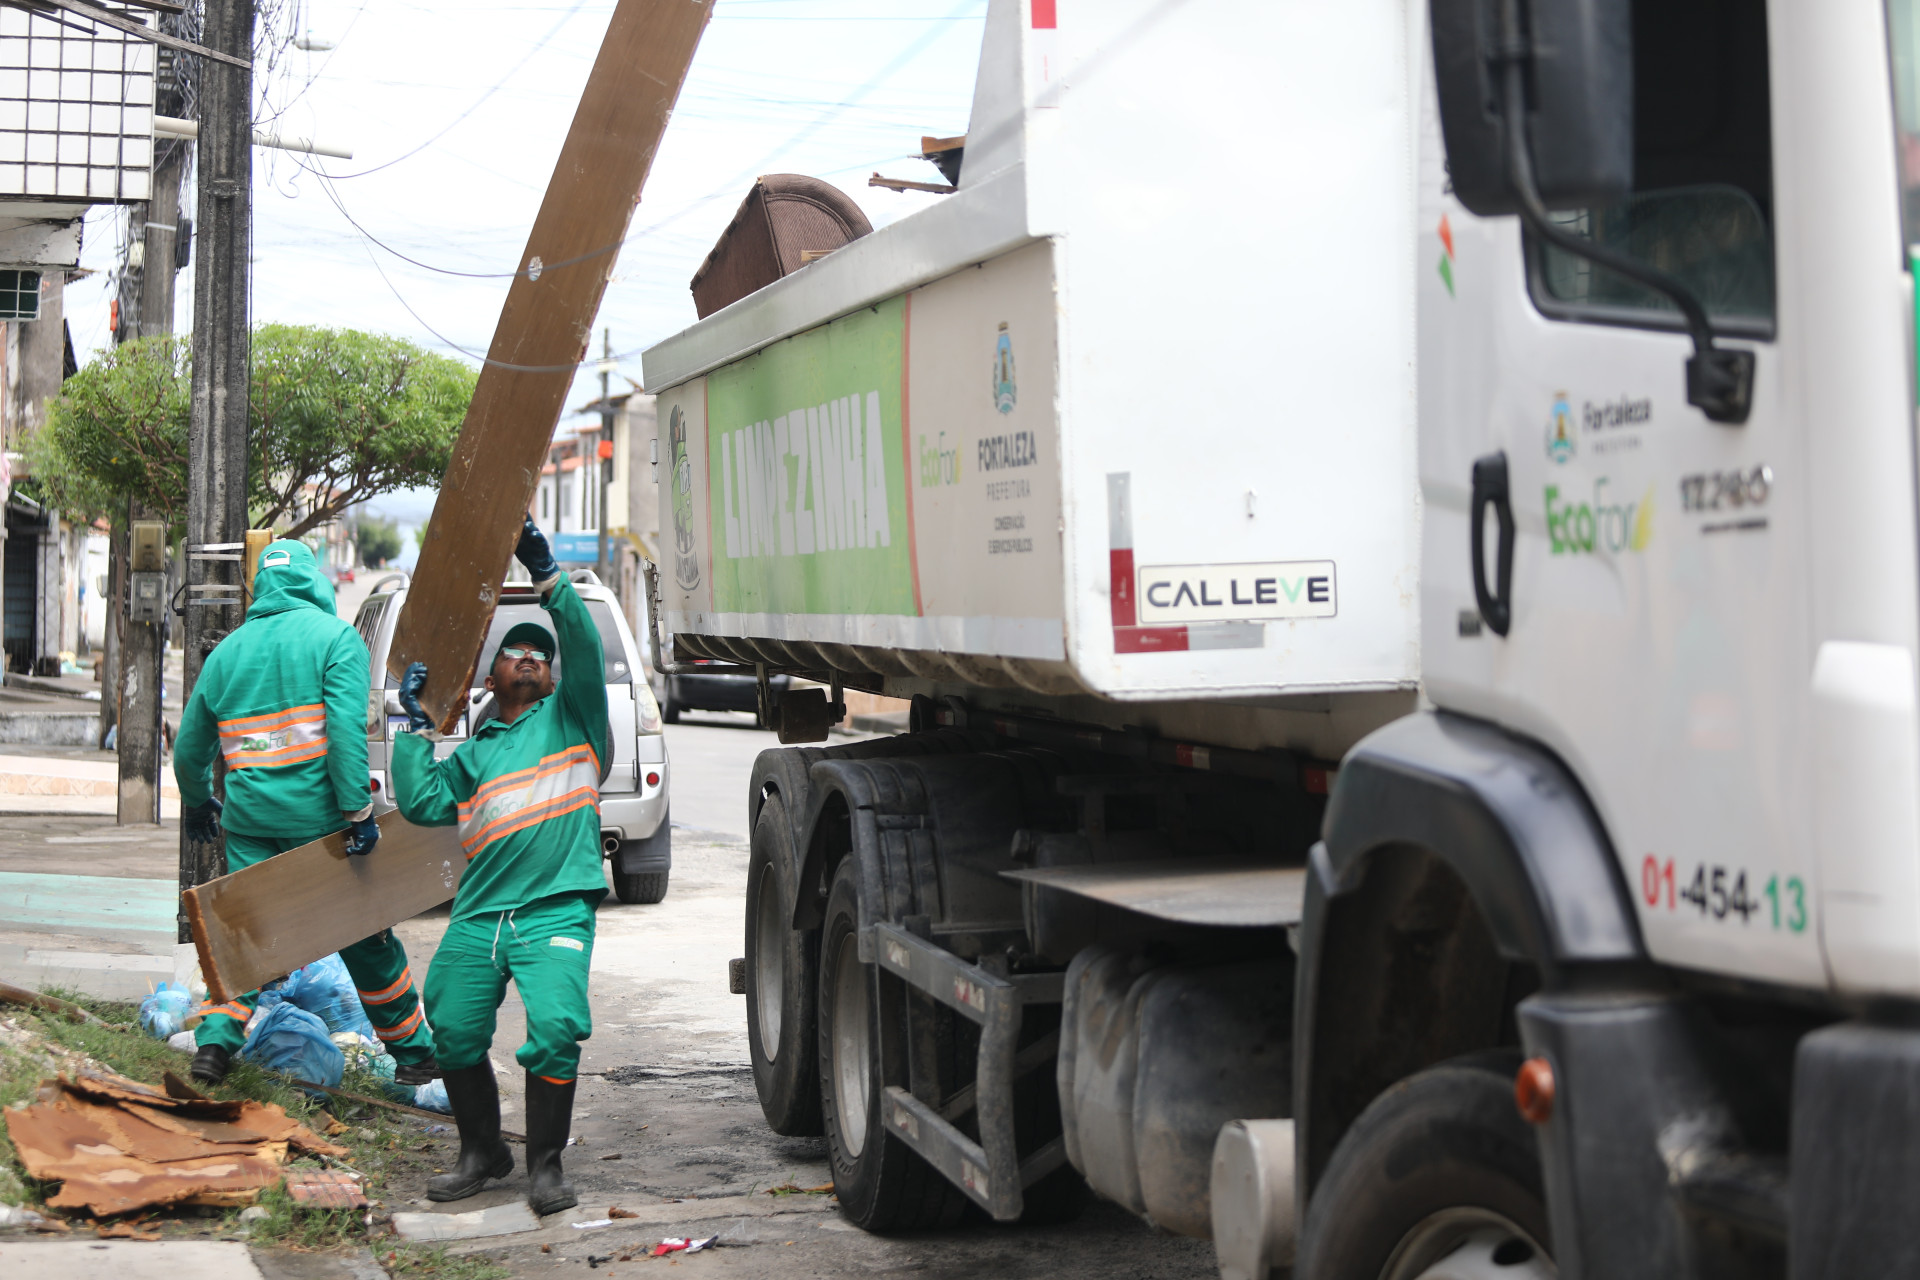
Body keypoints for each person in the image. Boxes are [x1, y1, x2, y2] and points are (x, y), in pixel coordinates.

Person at [389, 516, 607, 1217]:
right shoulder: (476, 754)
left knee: (554, 1028)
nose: (530, 658)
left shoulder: (576, 717)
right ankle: (483, 1150)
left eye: (539, 655)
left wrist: (550, 579)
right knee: (449, 1025)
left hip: (554, 907)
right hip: (482, 911)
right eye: (515, 651)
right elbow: (421, 800)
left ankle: (545, 1165)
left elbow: (582, 646)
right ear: (491, 674)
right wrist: (415, 728)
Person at [173, 539, 440, 1087]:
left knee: (247, 940)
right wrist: (359, 812)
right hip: (323, 829)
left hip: (249, 826)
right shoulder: (336, 639)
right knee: (368, 940)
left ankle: (215, 1048)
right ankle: (413, 1055)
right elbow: (345, 735)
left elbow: (189, 750)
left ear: (261, 588)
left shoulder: (226, 654)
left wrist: (198, 801)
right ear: (312, 581)